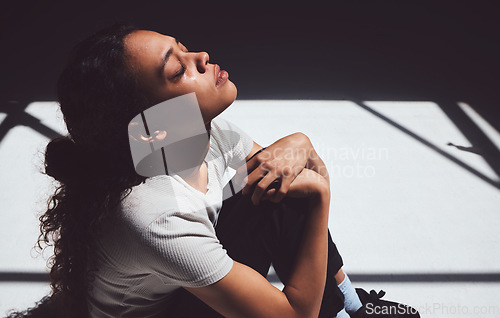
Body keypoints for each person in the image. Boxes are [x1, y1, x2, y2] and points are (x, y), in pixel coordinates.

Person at [7, 23, 420, 318]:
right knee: (294, 198)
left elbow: (287, 171)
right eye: (177, 70)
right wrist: (319, 198)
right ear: (156, 130)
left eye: (184, 48)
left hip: (179, 288)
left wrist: (299, 142)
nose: (201, 58)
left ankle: (352, 303)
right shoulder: (154, 214)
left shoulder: (202, 132)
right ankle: (343, 304)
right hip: (169, 309)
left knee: (274, 185)